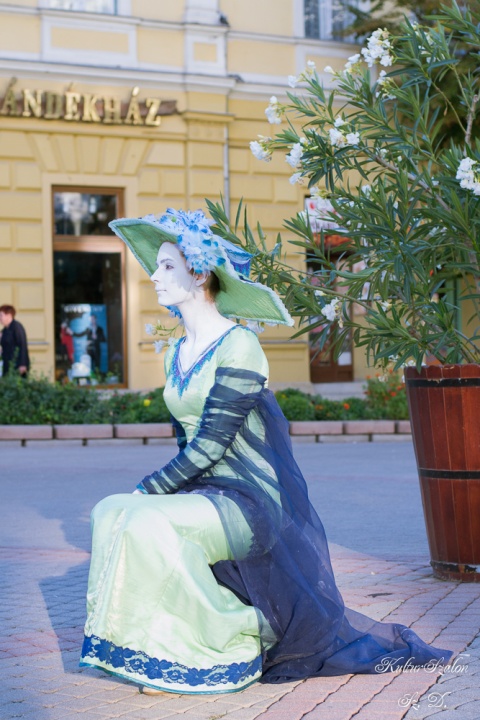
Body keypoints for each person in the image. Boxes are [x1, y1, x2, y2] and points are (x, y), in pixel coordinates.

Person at [80, 209, 452, 695]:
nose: (154, 275)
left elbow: (211, 443)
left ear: (200, 273)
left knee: (146, 520)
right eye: (157, 266)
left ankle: (225, 643)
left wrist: (151, 489)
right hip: (202, 492)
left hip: (248, 501)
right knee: (109, 511)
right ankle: (150, 650)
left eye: (168, 265)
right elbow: (185, 441)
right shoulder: (176, 353)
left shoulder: (240, 346)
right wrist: (156, 494)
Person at [0, 304, 30, 377]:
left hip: (17, 364)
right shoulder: (4, 330)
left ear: (9, 315)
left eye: (1, 315)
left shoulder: (17, 327)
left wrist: (23, 364)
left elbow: (22, 345)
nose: (0, 318)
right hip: (8, 364)